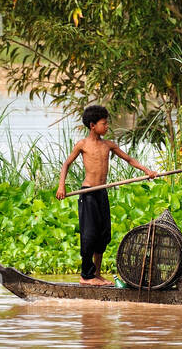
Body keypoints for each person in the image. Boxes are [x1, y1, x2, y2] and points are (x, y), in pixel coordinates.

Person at [55, 104, 159, 285]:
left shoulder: (108, 145)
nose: (107, 127)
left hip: (101, 192)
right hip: (88, 193)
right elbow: (66, 165)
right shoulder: (83, 145)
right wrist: (61, 186)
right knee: (89, 235)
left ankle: (96, 273)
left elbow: (129, 159)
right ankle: (85, 276)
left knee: (103, 235)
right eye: (104, 124)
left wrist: (147, 171)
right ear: (92, 125)